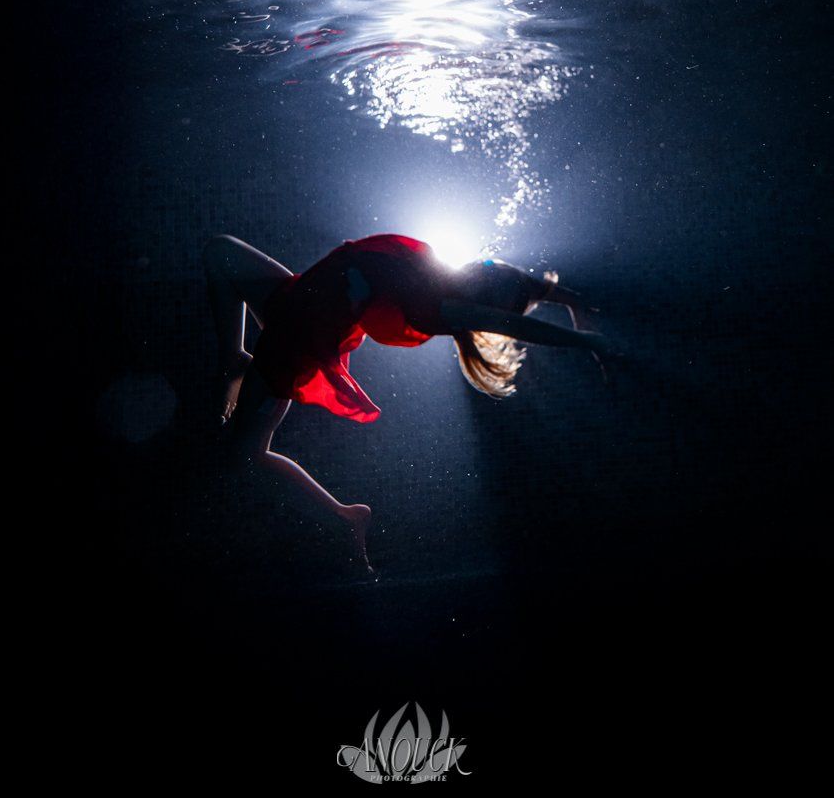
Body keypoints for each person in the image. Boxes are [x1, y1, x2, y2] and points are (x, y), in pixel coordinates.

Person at [204, 232, 608, 572]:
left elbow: (515, 324)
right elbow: (525, 285)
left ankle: (344, 515)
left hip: (296, 344)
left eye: (486, 283)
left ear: (479, 303)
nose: (480, 269)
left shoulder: (435, 307)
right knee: (219, 251)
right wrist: (571, 301)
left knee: (242, 456)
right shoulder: (430, 266)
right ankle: (232, 356)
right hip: (292, 298)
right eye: (487, 267)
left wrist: (584, 341)